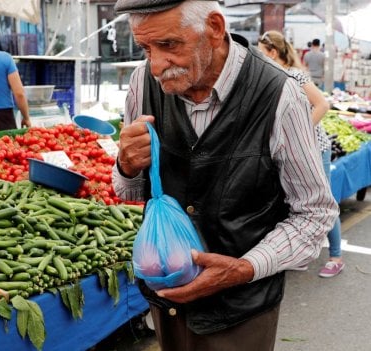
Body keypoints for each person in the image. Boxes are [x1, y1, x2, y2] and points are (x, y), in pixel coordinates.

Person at [111, 0, 338, 350]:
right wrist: (126, 165)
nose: (156, 65)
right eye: (145, 48)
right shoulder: (143, 81)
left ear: (215, 28)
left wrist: (244, 268)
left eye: (169, 45)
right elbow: (130, 192)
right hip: (166, 300)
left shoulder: (279, 94)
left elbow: (315, 212)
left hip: (240, 312)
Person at [258, 30, 344, 278]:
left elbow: (323, 105)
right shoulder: (271, 77)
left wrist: (300, 134)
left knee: (321, 200)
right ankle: (302, 253)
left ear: (273, 53)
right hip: (291, 152)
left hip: (316, 149)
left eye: (263, 54)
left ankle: (336, 256)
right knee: (295, 200)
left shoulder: (294, 75)